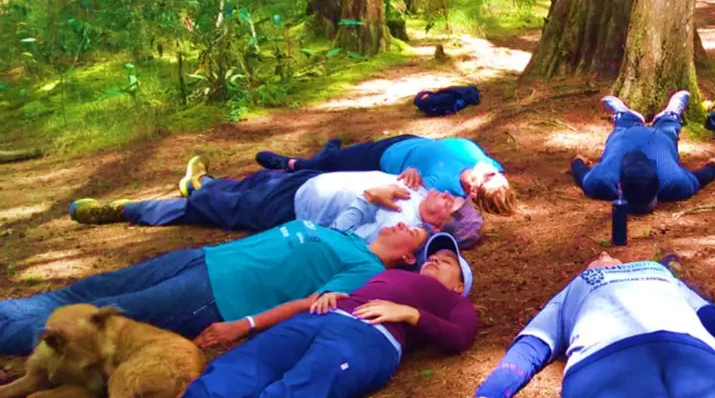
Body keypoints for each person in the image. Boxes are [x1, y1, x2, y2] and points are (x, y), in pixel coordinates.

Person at [0, 219, 429, 355]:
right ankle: (8, 310)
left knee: (93, 319)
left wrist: (243, 324)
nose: (402, 221)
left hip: (216, 296)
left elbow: (310, 303)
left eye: (412, 230)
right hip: (202, 259)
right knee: (85, 291)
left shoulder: (366, 267)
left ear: (409, 256)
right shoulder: (350, 234)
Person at [184, 232, 477, 398]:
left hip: (371, 335)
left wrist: (410, 314)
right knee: (241, 367)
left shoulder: (455, 302)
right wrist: (333, 294)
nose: (435, 259)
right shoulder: (391, 274)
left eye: (447, 261)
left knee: (304, 386)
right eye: (433, 256)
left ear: (459, 285)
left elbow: (460, 336)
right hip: (320, 316)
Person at [475, 253, 715, 398]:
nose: (603, 254)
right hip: (605, 361)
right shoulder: (578, 285)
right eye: (596, 256)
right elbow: (531, 348)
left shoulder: (660, 272)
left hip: (692, 353)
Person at [68, 158, 482, 247]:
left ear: (442, 226)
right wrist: (408, 175)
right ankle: (206, 181)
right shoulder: (425, 197)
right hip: (306, 181)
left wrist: (369, 195)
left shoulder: (401, 227)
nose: (445, 194)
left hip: (290, 209)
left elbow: (336, 239)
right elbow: (417, 176)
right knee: (248, 183)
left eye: (451, 204)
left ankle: (128, 210)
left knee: (208, 210)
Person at [255, 135, 515, 214]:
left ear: (472, 190)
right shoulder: (485, 162)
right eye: (500, 173)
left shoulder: (443, 189)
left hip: (381, 158)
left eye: (492, 177)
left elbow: (414, 200)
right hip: (407, 140)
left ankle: (288, 165)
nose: (495, 170)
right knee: (334, 157)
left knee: (328, 165)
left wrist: (409, 173)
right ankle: (329, 151)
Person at [570, 91, 715, 214]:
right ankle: (669, 116)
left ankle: (627, 116)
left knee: (629, 130)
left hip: (635, 137)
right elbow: (701, 177)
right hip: (647, 138)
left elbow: (579, 170)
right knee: (667, 132)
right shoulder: (674, 183)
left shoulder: (600, 181)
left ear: (620, 187)